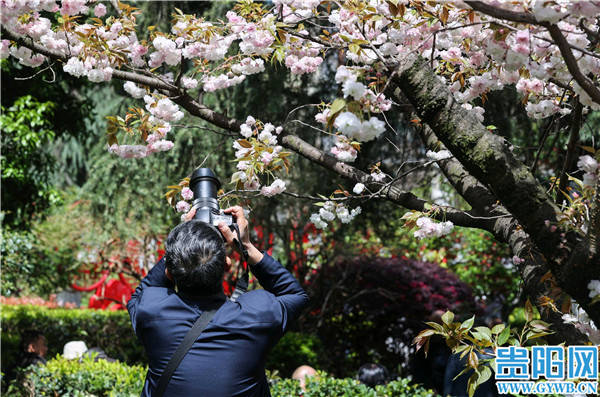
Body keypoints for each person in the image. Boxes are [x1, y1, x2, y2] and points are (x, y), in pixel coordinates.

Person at [127, 206, 309, 396]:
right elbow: (296, 295)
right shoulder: (257, 315)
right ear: (227, 265)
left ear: (169, 272)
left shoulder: (150, 310)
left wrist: (184, 245)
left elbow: (140, 294)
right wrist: (245, 246)